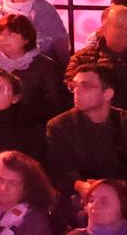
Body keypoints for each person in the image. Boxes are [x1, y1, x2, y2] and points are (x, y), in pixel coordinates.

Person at [46, 64, 126, 222]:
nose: (77, 91)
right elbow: (58, 169)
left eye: (85, 86)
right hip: (79, 194)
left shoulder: (123, 122)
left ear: (107, 93)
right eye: (73, 86)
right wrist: (79, 185)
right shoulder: (60, 125)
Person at [0, 13, 67, 125]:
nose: (5, 39)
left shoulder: (46, 66)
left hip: (32, 124)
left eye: (12, 35)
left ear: (27, 39)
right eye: (1, 34)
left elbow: (55, 104)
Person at [68, 3, 127, 112]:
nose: (125, 30)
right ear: (104, 29)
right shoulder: (82, 58)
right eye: (119, 26)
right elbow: (70, 90)